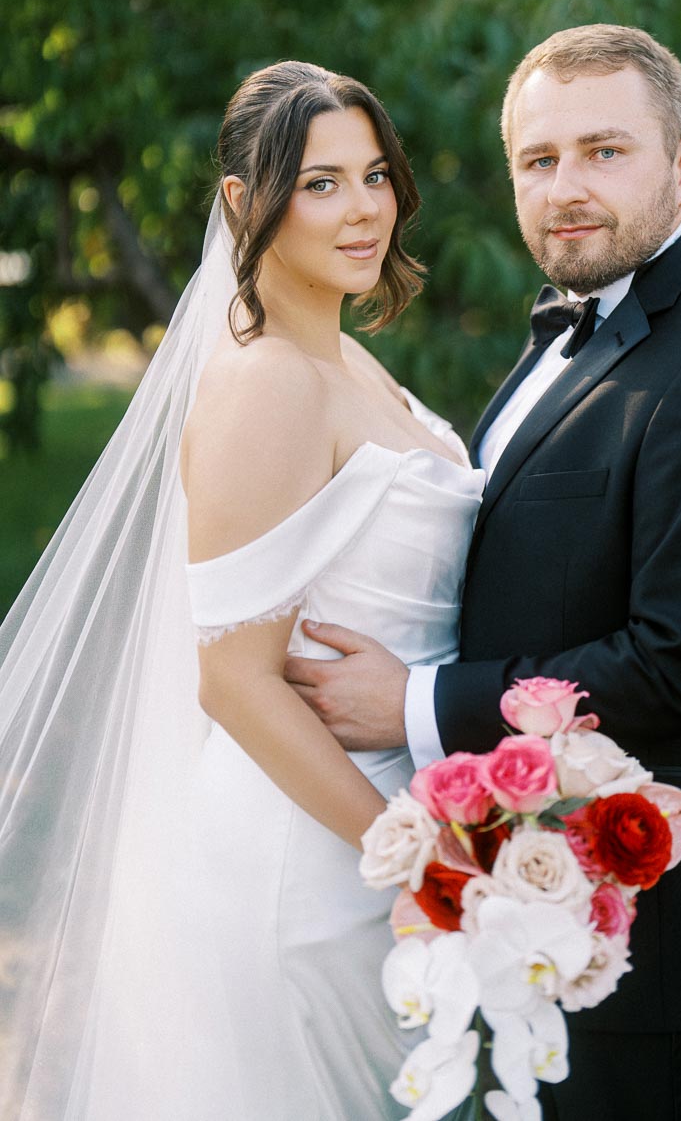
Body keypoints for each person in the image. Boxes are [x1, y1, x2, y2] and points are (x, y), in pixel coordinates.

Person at [286, 25, 681, 1120]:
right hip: (541, 897)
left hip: (655, 924)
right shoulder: (576, 326)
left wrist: (415, 703)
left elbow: (678, 664)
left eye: (603, 152)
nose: (566, 188)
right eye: (539, 160)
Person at [0, 61, 483, 1119]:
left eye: (374, 175)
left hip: (385, 831)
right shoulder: (266, 384)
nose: (362, 209)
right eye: (320, 183)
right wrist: (416, 858)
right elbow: (234, 680)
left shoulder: (350, 362)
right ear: (243, 203)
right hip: (304, 867)